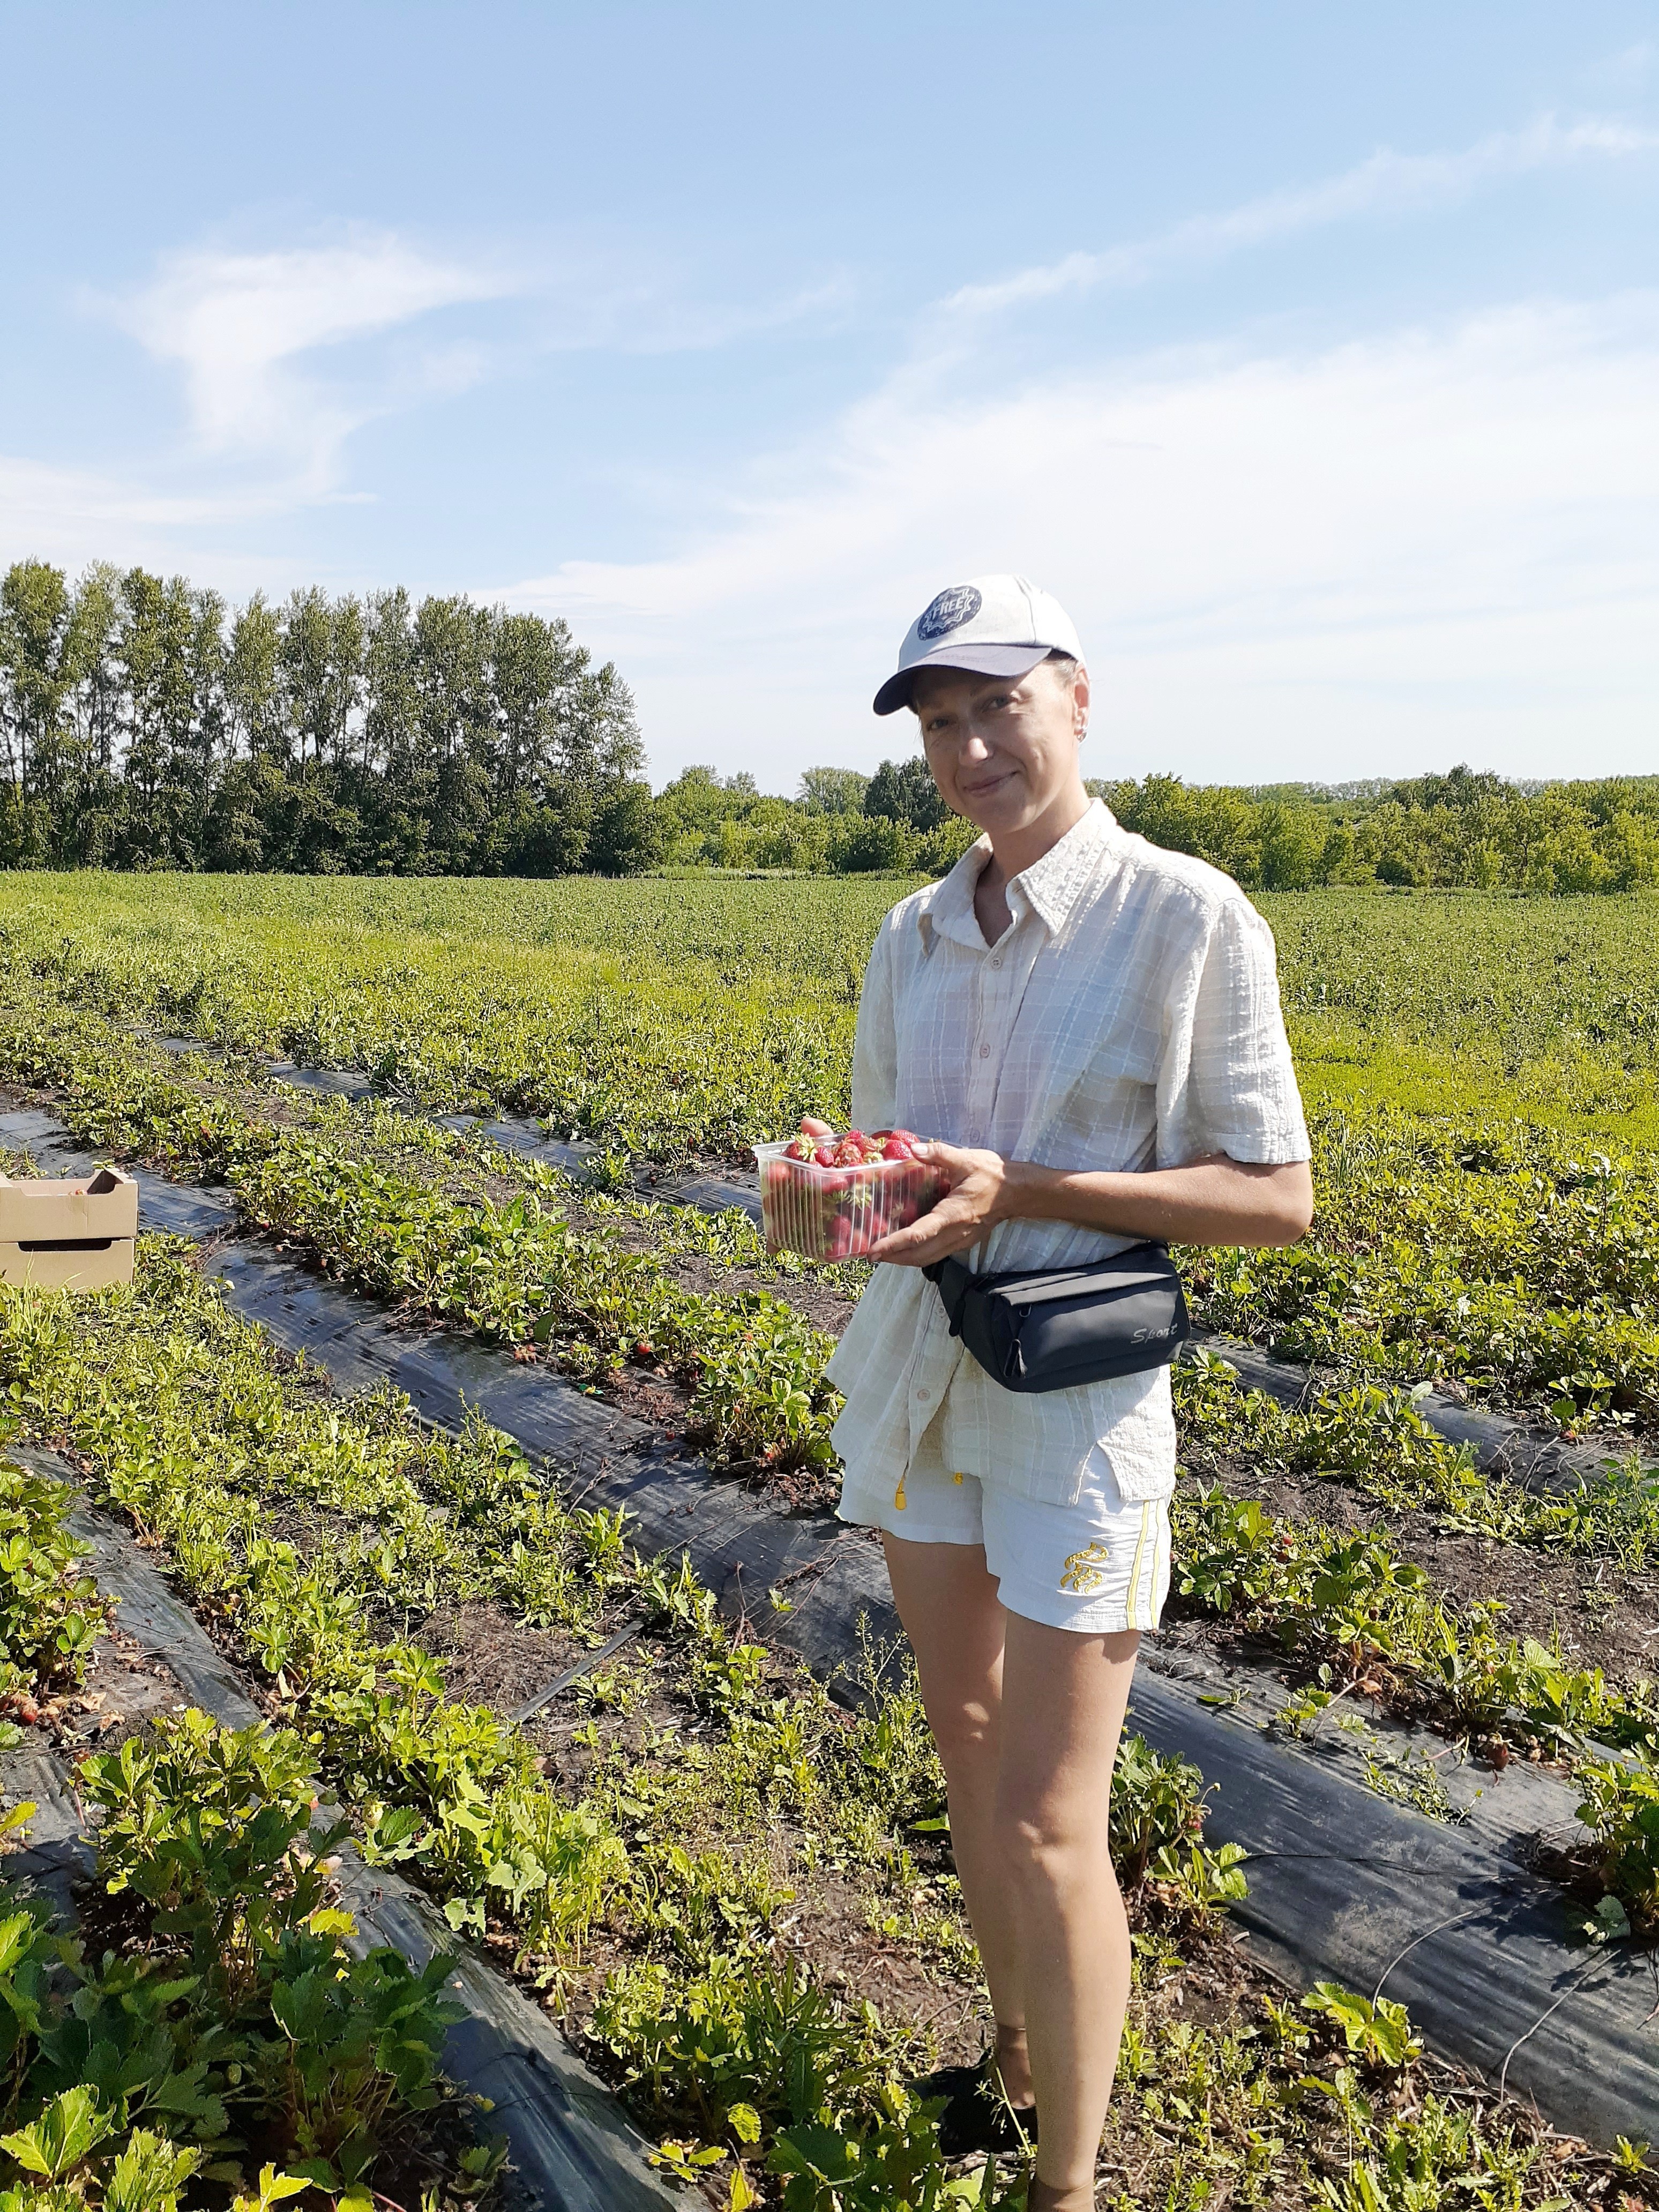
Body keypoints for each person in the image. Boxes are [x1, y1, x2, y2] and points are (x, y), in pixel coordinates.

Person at [826, 576, 1313, 2212]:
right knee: (967, 1758)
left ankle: (1070, 2188)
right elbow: (900, 1168)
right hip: (922, 1387)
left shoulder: (1186, 916)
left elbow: (1276, 1196)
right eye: (939, 722)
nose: (969, 747)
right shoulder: (908, 932)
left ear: (1078, 699)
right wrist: (839, 1199)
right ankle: (1015, 2047)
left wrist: (1022, 1189)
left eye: (996, 707)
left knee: (1049, 1816)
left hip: (1075, 1412)